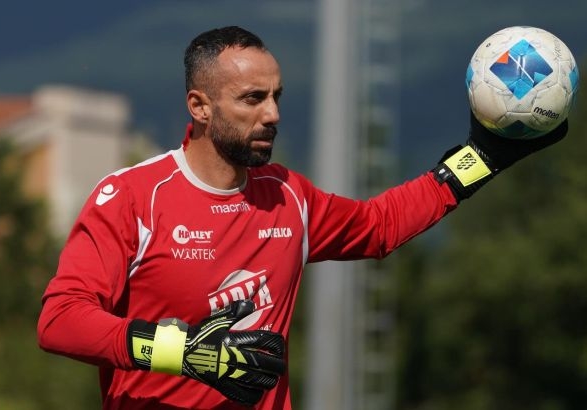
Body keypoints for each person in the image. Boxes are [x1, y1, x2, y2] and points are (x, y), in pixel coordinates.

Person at [37, 26, 567, 409]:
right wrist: (185, 351)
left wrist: (482, 160)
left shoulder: (287, 195)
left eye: (276, 97)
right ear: (199, 107)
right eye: (252, 99)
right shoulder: (132, 197)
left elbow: (378, 226)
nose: (272, 114)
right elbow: (60, 320)